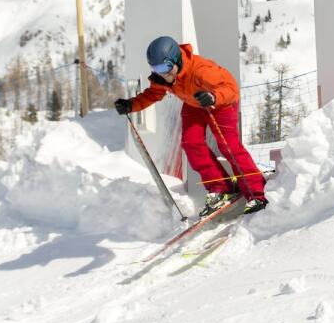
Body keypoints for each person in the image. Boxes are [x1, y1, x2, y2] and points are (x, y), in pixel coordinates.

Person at [115, 36, 268, 217]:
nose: (163, 73)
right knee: (191, 143)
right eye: (156, 69)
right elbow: (153, 94)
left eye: (165, 68)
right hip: (194, 103)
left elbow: (231, 88)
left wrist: (213, 97)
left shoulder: (201, 71)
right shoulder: (164, 78)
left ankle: (256, 192)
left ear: (176, 59)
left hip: (221, 103)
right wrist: (131, 105)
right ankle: (220, 187)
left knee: (228, 146)